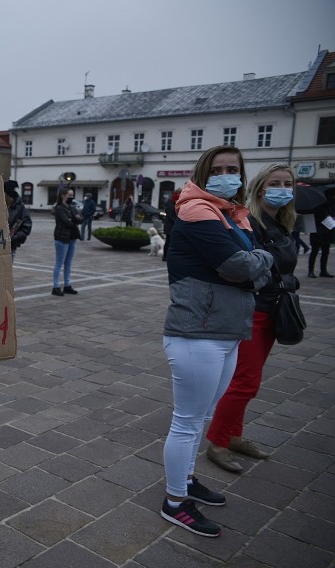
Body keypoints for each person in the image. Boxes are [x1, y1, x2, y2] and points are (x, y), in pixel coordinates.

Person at [161, 145, 273, 538]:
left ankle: (186, 480)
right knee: (187, 422)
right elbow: (237, 267)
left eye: (234, 169)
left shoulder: (231, 214)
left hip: (224, 330)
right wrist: (264, 261)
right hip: (198, 332)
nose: (227, 174)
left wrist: (257, 263)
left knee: (200, 417)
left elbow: (251, 267)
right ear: (204, 173)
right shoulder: (197, 211)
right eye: (219, 169)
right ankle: (175, 502)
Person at [206, 163, 298, 474]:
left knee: (248, 379)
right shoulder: (251, 222)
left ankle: (234, 435)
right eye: (276, 182)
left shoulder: (283, 223)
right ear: (260, 188)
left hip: (275, 308)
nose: (283, 188)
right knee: (245, 382)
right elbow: (247, 266)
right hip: (256, 309)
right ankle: (218, 442)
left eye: (288, 183)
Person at [307, 191, 334, 278]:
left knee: (325, 252)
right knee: (314, 252)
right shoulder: (317, 208)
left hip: (326, 233)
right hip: (317, 233)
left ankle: (323, 270)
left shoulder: (329, 207)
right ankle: (311, 271)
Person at [4, 180, 32, 259]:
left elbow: (27, 225)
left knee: (6, 270)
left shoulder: (20, 207)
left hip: (10, 247)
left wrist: (15, 237)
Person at [162, 189, 181, 261]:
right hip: (169, 226)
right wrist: (176, 222)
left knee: (170, 242)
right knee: (168, 242)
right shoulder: (170, 203)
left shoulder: (174, 202)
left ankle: (168, 256)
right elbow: (170, 215)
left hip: (172, 225)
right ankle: (165, 256)